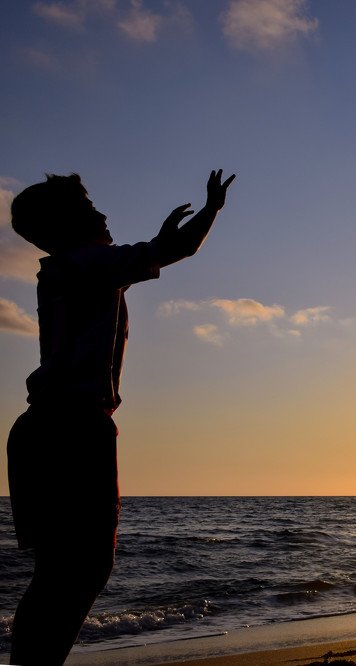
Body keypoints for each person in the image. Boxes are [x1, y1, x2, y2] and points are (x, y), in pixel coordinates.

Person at [6, 169, 235, 664]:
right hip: (72, 428)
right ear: (67, 223)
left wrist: (163, 241)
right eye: (91, 208)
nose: (104, 214)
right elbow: (175, 250)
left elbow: (156, 254)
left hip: (44, 429)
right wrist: (211, 209)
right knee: (82, 569)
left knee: (57, 573)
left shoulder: (72, 271)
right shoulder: (86, 264)